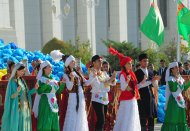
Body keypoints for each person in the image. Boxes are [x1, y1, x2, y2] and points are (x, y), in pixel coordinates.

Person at [108, 47, 141, 131]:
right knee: (126, 118)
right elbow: (123, 87)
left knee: (132, 118)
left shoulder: (131, 73)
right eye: (129, 63)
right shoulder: (123, 74)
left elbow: (134, 86)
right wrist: (128, 81)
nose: (131, 65)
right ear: (124, 65)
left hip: (132, 98)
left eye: (131, 63)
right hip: (126, 99)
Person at [1, 62, 38, 131]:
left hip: (25, 107)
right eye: (21, 71)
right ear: (16, 70)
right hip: (18, 108)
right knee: (18, 125)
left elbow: (27, 93)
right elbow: (10, 97)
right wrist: (17, 92)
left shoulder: (22, 80)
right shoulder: (12, 81)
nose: (23, 73)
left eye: (24, 71)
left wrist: (35, 89)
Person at [62, 55, 91, 131]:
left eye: (74, 60)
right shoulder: (66, 74)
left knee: (80, 114)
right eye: (72, 61)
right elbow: (69, 88)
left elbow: (86, 83)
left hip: (80, 96)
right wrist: (71, 79)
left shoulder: (77, 73)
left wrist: (93, 76)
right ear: (68, 63)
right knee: (73, 114)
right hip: (73, 97)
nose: (74, 62)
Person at [88, 55, 116, 131]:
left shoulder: (104, 73)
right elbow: (98, 86)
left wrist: (113, 78)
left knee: (103, 120)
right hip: (97, 99)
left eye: (101, 61)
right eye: (98, 61)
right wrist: (110, 80)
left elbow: (112, 83)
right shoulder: (92, 73)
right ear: (93, 62)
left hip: (104, 98)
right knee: (101, 120)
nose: (101, 62)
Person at [35, 61, 65, 131]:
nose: (51, 68)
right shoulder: (41, 79)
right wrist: (46, 84)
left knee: (54, 120)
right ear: (44, 69)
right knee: (46, 120)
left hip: (53, 102)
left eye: (51, 66)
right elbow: (39, 91)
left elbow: (58, 91)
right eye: (49, 67)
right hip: (45, 102)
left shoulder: (53, 80)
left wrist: (63, 83)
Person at [161, 62, 190, 131]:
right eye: (176, 67)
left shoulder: (180, 78)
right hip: (173, 101)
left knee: (181, 119)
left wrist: (189, 82)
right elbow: (173, 89)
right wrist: (176, 80)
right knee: (173, 119)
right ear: (172, 69)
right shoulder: (170, 79)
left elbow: (184, 88)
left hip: (181, 101)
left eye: (178, 67)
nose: (178, 69)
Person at [135, 53, 158, 131]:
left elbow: (154, 85)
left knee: (151, 116)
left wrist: (155, 81)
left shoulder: (151, 72)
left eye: (147, 61)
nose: (146, 63)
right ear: (140, 62)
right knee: (143, 116)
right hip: (142, 97)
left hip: (150, 96)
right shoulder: (137, 72)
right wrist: (149, 81)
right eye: (144, 61)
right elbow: (137, 86)